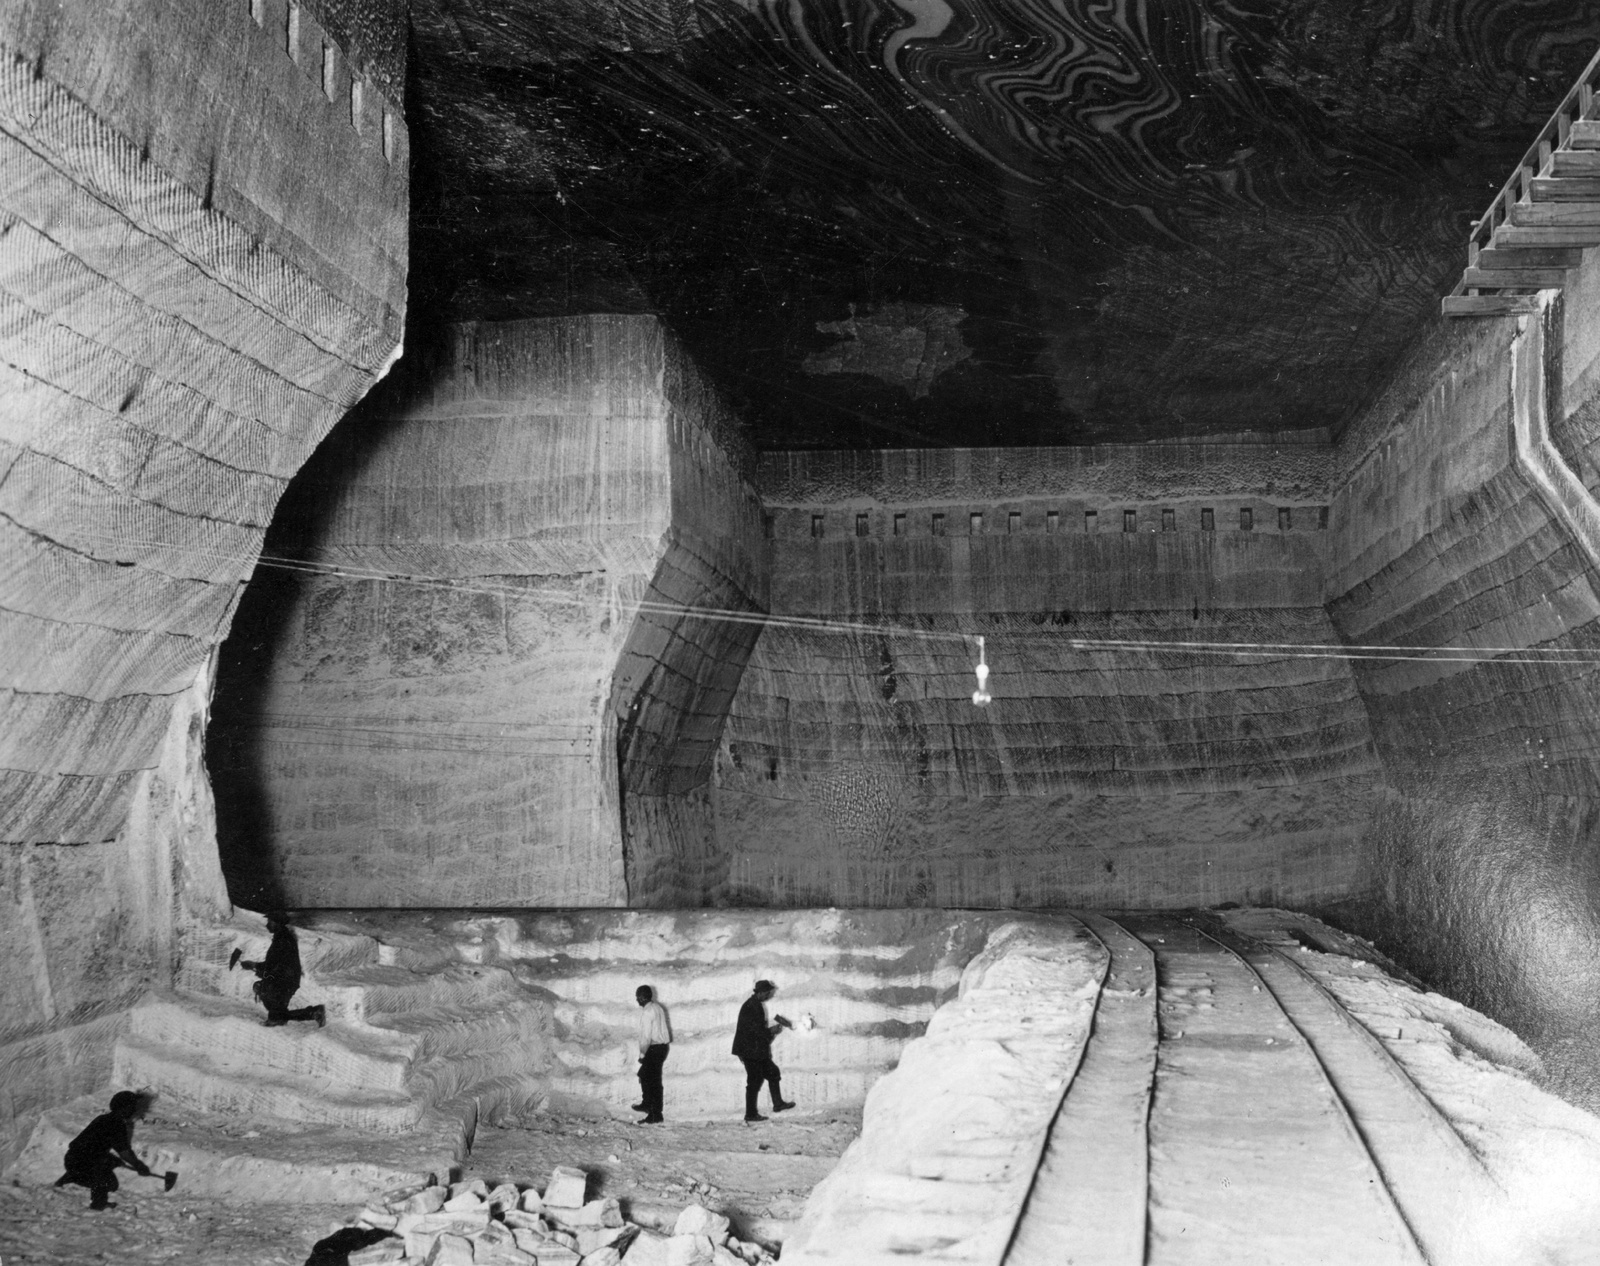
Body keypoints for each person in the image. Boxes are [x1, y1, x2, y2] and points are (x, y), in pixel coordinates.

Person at [53, 1091, 155, 1209]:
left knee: (106, 1165)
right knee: (111, 1184)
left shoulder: (104, 1118)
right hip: (82, 1162)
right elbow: (124, 1153)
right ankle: (98, 1203)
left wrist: (113, 1159)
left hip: (72, 1159)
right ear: (124, 1108)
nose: (134, 1109)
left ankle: (69, 1177)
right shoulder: (116, 1125)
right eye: (132, 1106)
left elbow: (92, 1147)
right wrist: (139, 1166)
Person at [230, 915, 326, 1028]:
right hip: (285, 979)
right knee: (275, 1009)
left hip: (285, 981)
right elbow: (274, 964)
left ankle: (307, 1014)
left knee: (265, 992)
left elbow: (275, 965)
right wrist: (255, 966)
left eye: (270, 921)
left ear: (277, 923)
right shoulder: (282, 937)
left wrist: (254, 965)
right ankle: (313, 1013)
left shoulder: (283, 940)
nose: (267, 925)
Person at [731, 979, 795, 1122]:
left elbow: (756, 1031)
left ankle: (778, 1104)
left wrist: (770, 1032)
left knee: (773, 1072)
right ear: (760, 992)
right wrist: (771, 1031)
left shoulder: (755, 1004)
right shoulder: (752, 1006)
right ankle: (750, 1114)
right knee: (754, 1082)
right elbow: (755, 1032)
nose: (769, 995)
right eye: (767, 993)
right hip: (750, 1051)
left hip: (755, 1050)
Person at [631, 985, 671, 1124]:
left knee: (651, 1081)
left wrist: (642, 1054)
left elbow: (646, 1037)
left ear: (643, 997)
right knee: (647, 1077)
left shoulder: (647, 1012)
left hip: (653, 1048)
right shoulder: (658, 1007)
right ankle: (648, 1104)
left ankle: (654, 1114)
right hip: (662, 1047)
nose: (637, 1000)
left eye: (638, 997)